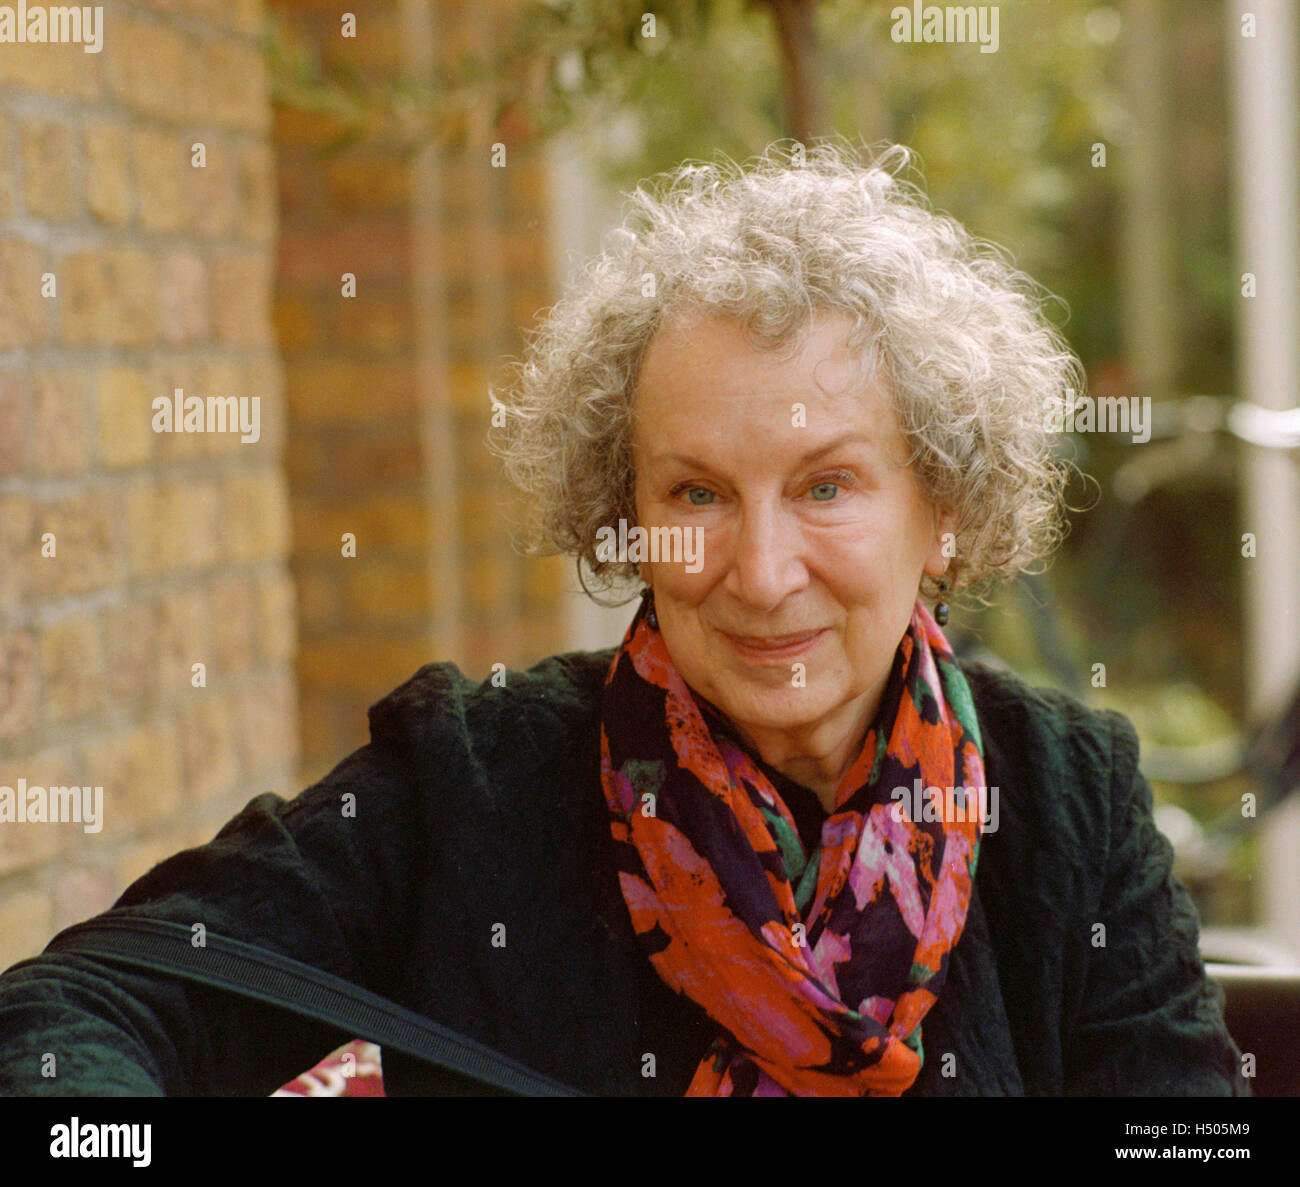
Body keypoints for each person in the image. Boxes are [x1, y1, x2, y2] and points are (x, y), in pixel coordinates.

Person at [0, 142, 1245, 1097]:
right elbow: (72, 1020)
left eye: (826, 486)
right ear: (625, 510)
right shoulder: (472, 777)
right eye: (695, 491)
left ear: (945, 509)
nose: (759, 572)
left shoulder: (1068, 797)